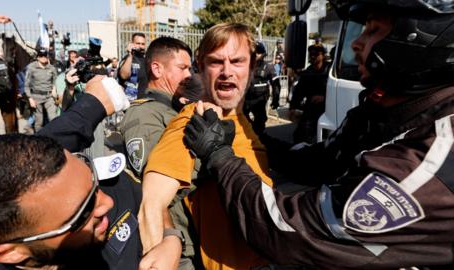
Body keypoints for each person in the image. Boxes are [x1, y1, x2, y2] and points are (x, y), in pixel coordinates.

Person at [183, 0, 454, 268]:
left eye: (372, 30)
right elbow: (323, 159)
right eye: (217, 61)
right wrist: (254, 143)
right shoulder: (382, 111)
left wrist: (219, 155)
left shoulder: (430, 158)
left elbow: (290, 230)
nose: (356, 43)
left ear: (424, 36)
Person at [0, 75, 183, 270]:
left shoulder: (100, 188)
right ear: (11, 253)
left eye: (93, 183)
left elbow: (148, 199)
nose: (106, 203)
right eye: (82, 213)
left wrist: (171, 239)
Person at [139, 23, 273, 270]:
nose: (226, 71)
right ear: (200, 67)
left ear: (252, 67)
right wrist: (160, 253)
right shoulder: (196, 120)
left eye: (237, 61)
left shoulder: (243, 122)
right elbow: (151, 203)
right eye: (215, 62)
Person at [119, 37, 199, 269]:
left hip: (195, 232)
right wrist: (212, 158)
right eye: (182, 68)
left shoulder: (173, 109)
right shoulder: (145, 115)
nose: (189, 75)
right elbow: (154, 183)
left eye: (190, 68)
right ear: (157, 68)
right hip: (175, 243)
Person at [289, 44, 329, 144]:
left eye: (316, 54)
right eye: (311, 54)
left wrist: (325, 98)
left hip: (328, 110)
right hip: (311, 109)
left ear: (323, 56)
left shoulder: (331, 72)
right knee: (299, 137)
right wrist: (293, 108)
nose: (312, 56)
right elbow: (298, 92)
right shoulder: (308, 73)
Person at [243, 41, 275, 134]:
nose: (256, 55)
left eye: (259, 52)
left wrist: (275, 98)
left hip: (260, 99)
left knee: (260, 120)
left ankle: (258, 136)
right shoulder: (244, 66)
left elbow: (275, 84)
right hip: (246, 98)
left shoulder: (268, 67)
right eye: (254, 52)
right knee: (242, 118)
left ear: (263, 53)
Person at [24, 48, 58, 132]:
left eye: (45, 56)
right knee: (39, 121)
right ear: (38, 57)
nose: (43, 57)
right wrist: (30, 98)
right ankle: (39, 138)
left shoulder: (51, 68)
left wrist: (54, 89)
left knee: (53, 118)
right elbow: (26, 85)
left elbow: (55, 81)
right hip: (36, 96)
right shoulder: (31, 68)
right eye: (41, 56)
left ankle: (55, 137)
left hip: (49, 96)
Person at [118, 32, 148, 101]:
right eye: (138, 43)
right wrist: (130, 55)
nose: (140, 46)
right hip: (130, 102)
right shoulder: (128, 58)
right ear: (132, 44)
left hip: (143, 101)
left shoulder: (147, 60)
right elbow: (124, 75)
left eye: (143, 44)